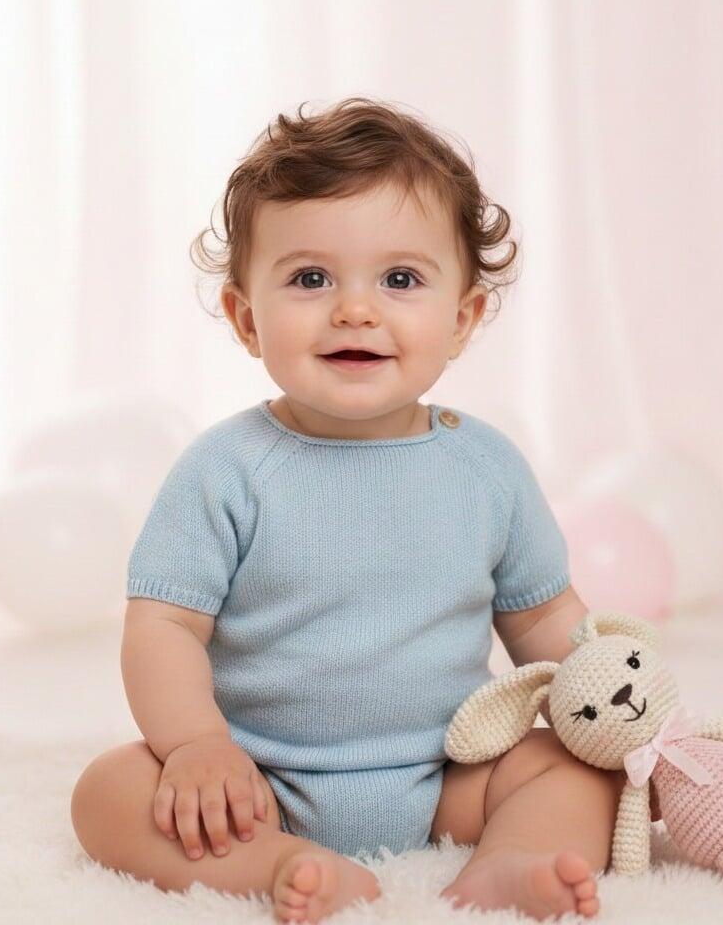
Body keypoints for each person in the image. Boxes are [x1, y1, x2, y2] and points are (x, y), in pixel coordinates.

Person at [70, 97, 625, 922]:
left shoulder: (486, 470)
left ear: (463, 318)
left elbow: (545, 620)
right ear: (246, 318)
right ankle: (280, 864)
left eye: (400, 280)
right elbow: (164, 626)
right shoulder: (226, 470)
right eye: (310, 279)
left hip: (449, 775)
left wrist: (620, 707)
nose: (355, 310)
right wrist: (197, 747)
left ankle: (512, 861)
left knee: (576, 767)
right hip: (257, 783)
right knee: (110, 791)